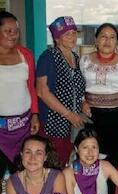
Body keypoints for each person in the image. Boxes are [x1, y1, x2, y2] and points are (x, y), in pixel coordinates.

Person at [80, 23, 118, 169]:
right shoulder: (85, 60)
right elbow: (79, 85)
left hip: (116, 117)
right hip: (91, 116)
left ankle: (113, 191)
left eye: (112, 37)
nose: (107, 41)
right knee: (90, 156)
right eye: (103, 36)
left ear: (116, 41)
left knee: (115, 160)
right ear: (96, 40)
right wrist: (82, 101)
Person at [36, 16, 86, 166]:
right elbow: (42, 92)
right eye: (67, 34)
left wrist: (83, 103)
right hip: (54, 122)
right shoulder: (48, 57)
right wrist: (69, 114)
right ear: (57, 38)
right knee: (52, 165)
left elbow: (77, 88)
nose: (73, 37)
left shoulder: (76, 58)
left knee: (67, 164)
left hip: (72, 124)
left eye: (74, 32)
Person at [0, 11, 39, 182]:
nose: (13, 34)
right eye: (7, 30)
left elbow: (31, 88)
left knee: (22, 175)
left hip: (23, 125)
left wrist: (35, 115)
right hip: (0, 128)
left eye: (15, 30)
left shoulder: (26, 54)